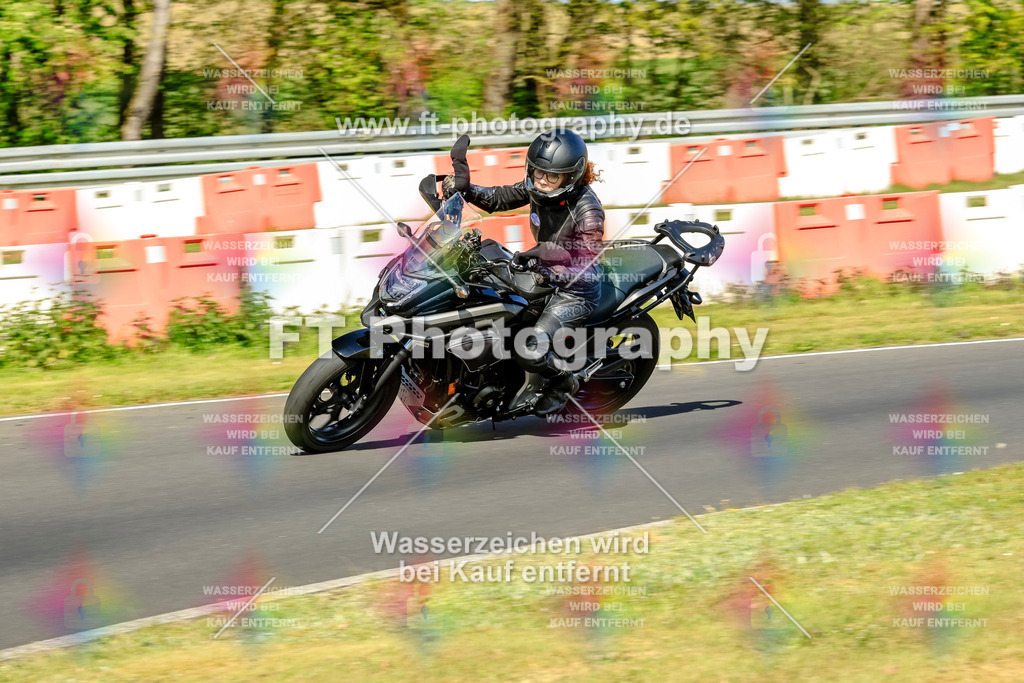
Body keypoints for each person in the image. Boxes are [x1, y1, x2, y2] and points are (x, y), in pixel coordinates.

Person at [442, 129, 604, 415]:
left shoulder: (588, 210)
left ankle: (563, 383)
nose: (541, 180)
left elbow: (586, 265)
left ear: (571, 175)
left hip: (576, 290)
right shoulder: (539, 187)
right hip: (542, 271)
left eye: (551, 176)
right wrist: (465, 189)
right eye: (537, 172)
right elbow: (500, 198)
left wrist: (549, 264)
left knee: (530, 346)